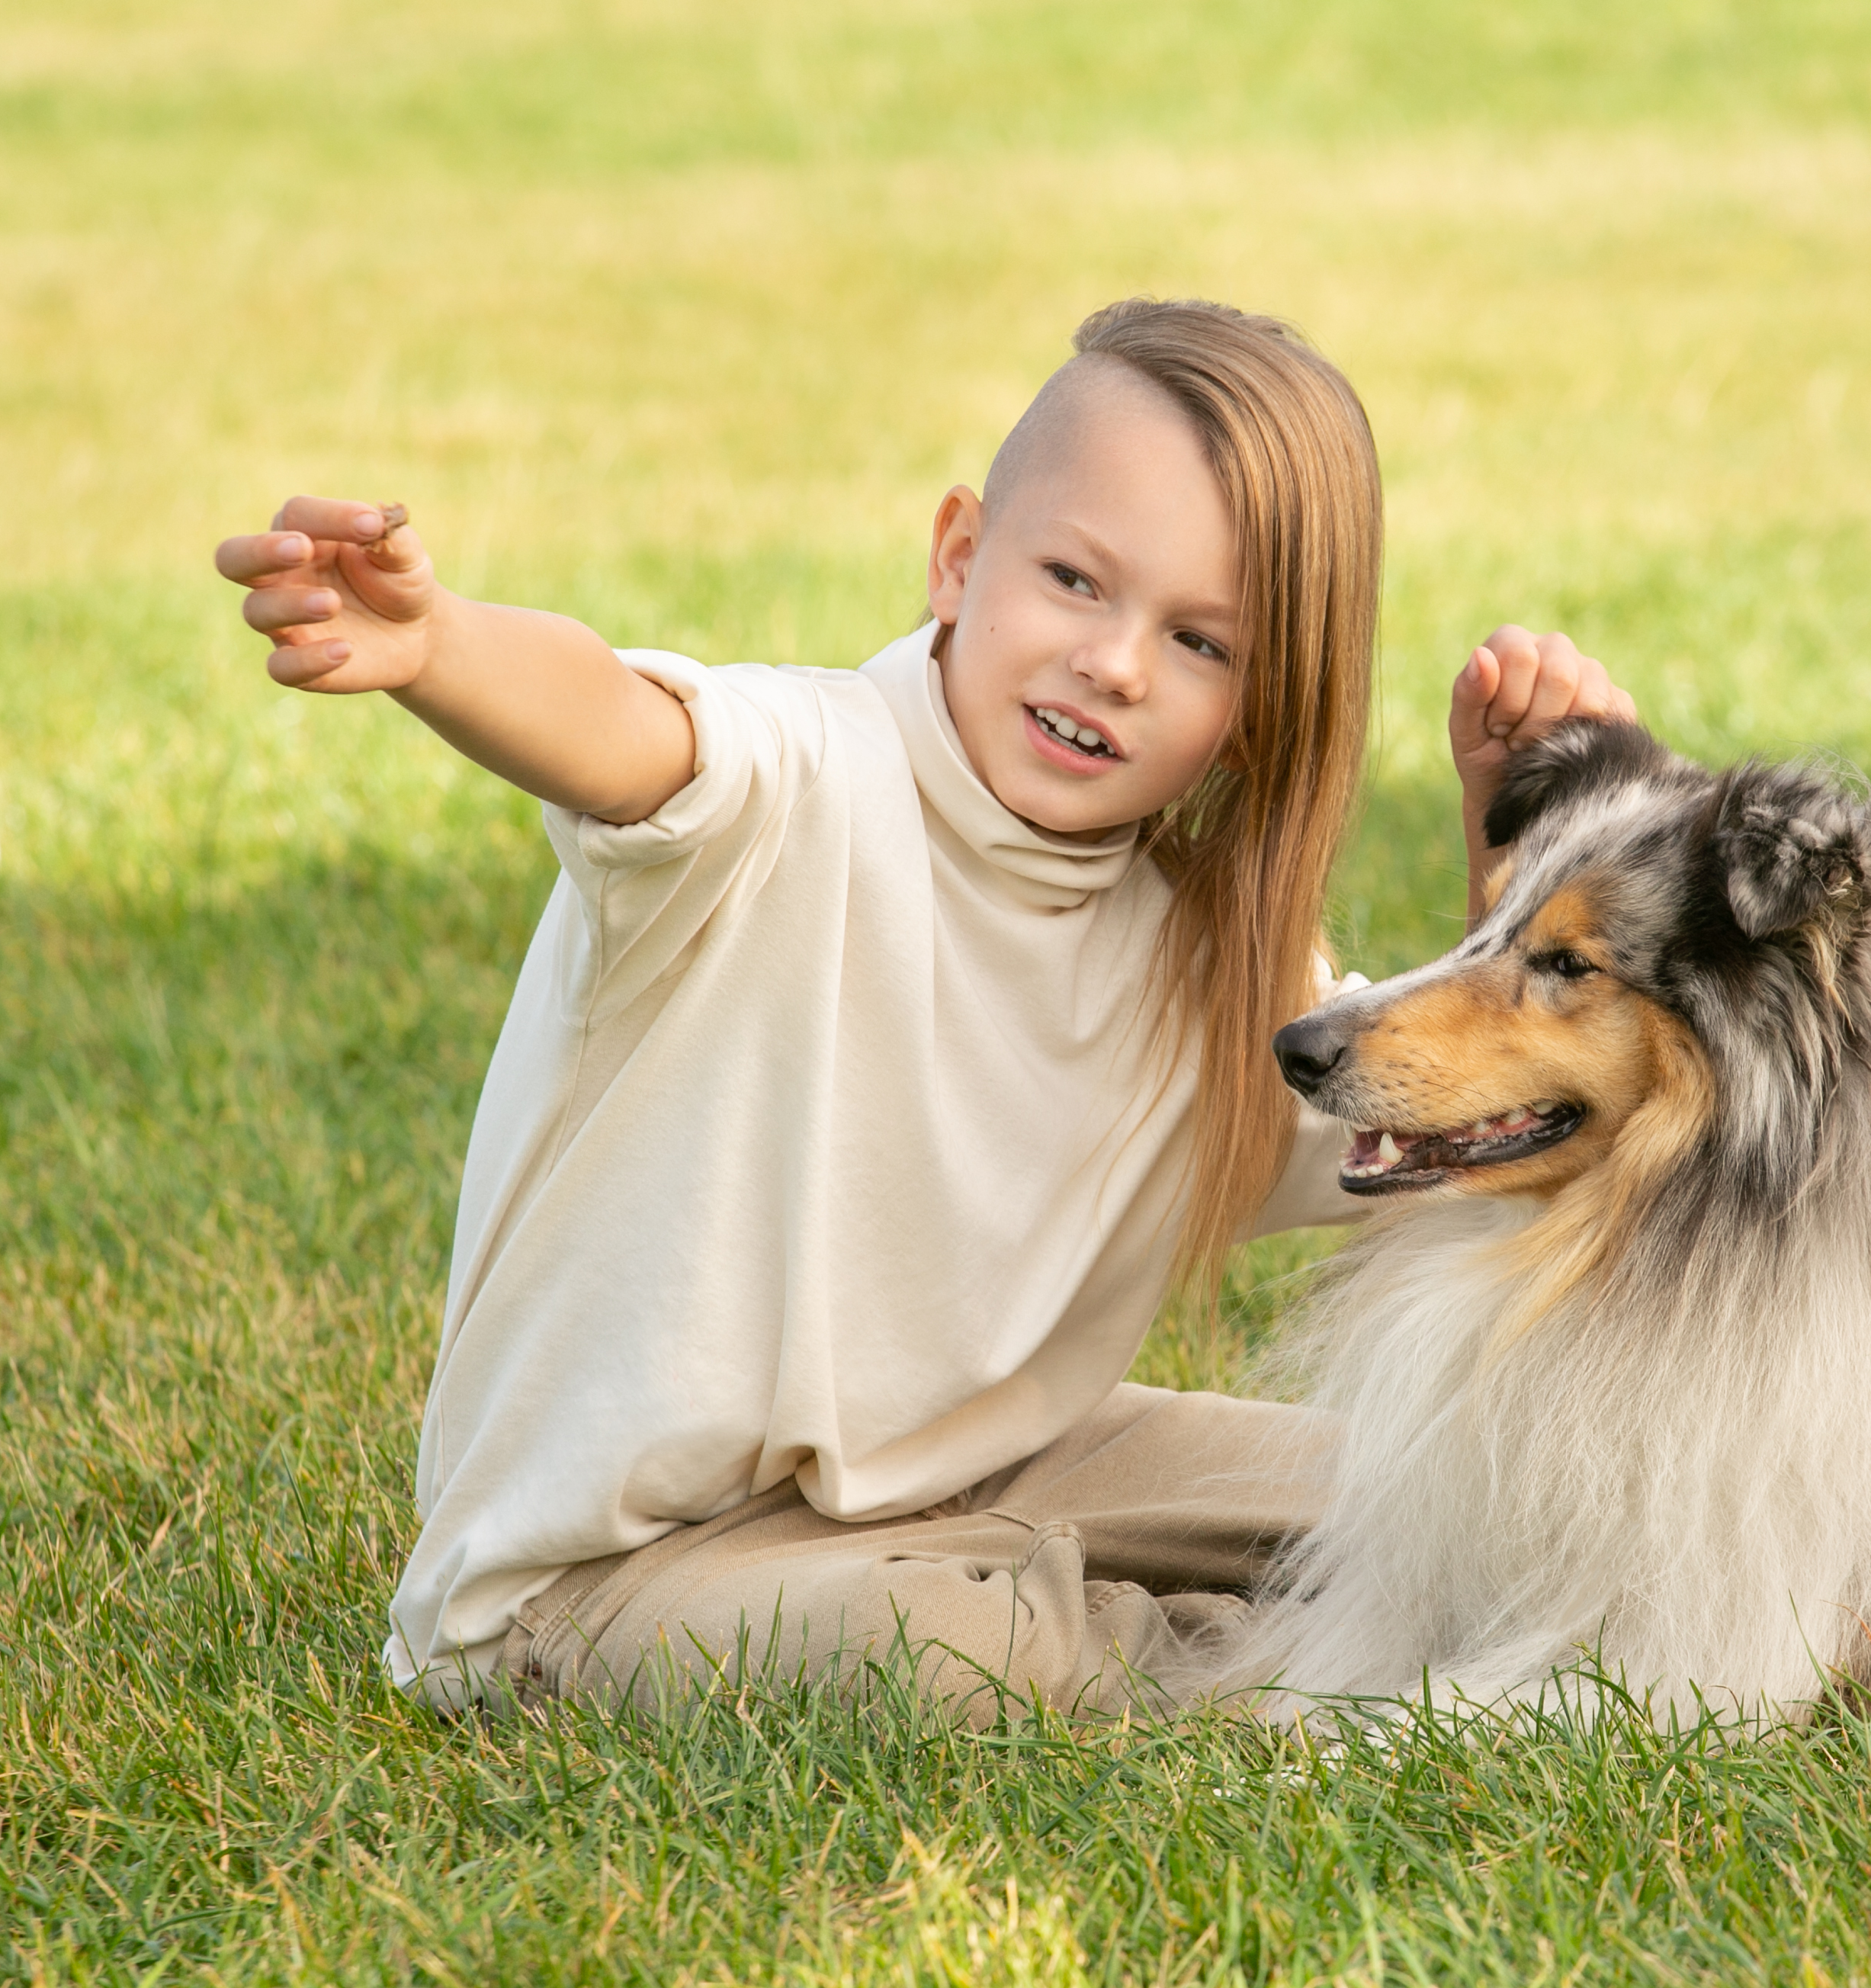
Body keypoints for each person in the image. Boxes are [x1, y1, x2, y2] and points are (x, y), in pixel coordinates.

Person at [211, 298, 1635, 1720]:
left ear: (1257, 718)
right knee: (954, 1651)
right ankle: (1300, 1664)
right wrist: (441, 645)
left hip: (990, 1475)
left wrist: (1506, 844)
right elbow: (618, 730)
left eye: (1201, 643)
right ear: (960, 556)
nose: (1116, 663)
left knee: (1410, 1486)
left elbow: (1466, 1130)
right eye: (1073, 580)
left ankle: (1406, 1616)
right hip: (608, 1578)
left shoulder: (1207, 968)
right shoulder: (793, 781)